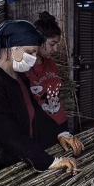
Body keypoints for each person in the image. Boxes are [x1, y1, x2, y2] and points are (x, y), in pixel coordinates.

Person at [0, 20, 83, 186]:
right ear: (12, 48)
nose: (34, 57)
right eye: (30, 52)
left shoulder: (19, 75)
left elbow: (35, 110)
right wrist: (48, 161)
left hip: (10, 164)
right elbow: (8, 132)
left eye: (35, 53)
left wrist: (60, 133)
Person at [25, 11, 84, 153]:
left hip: (60, 122)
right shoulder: (23, 69)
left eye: (57, 44)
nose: (55, 49)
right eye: (52, 44)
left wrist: (63, 130)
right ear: (38, 40)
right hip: (40, 128)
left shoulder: (51, 64)